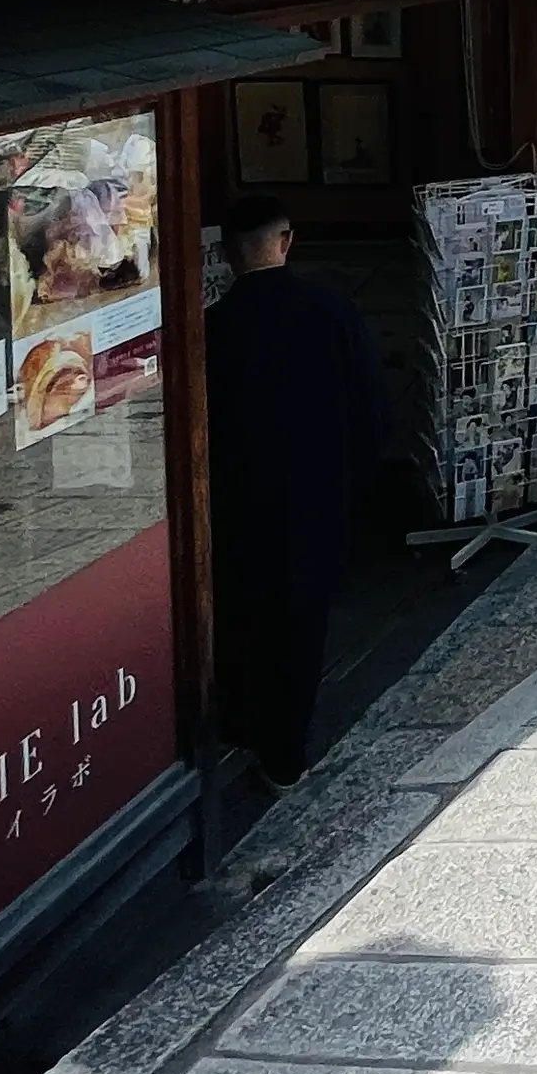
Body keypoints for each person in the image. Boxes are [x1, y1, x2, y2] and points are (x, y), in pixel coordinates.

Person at [204, 195, 391, 786]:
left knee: (242, 614)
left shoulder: (212, 327)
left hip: (237, 498)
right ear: (285, 242)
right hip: (317, 491)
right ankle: (285, 751)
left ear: (227, 253)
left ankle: (238, 727)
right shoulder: (331, 311)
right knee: (303, 622)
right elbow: (371, 407)